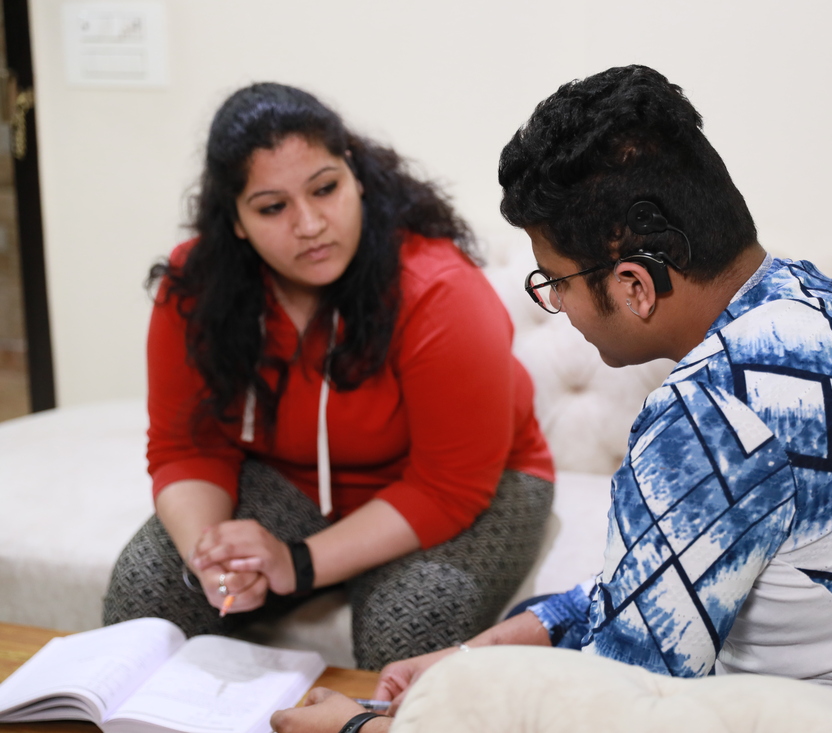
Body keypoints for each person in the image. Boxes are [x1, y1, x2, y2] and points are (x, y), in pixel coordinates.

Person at [271, 65, 832, 733]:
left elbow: (615, 712)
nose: (560, 309)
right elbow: (661, 579)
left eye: (553, 282)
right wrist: (485, 651)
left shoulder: (709, 415)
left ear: (635, 285)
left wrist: (361, 725)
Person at [102, 82, 555, 671]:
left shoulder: (438, 290)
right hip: (295, 478)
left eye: (326, 188)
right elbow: (188, 446)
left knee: (406, 637)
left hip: (476, 483)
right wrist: (209, 554)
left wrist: (298, 562)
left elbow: (450, 486)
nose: (311, 223)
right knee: (149, 591)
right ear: (235, 219)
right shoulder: (197, 290)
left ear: (356, 175)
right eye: (272, 207)